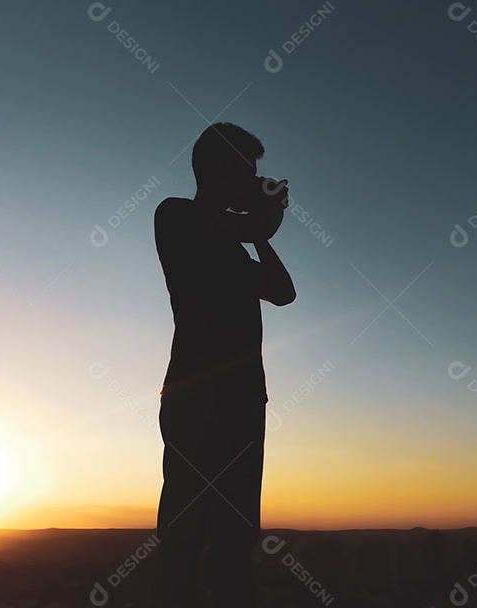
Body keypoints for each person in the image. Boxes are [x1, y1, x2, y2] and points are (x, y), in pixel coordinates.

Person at [152, 122, 295, 607]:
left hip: (242, 399)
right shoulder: (175, 216)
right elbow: (254, 224)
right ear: (220, 170)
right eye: (247, 173)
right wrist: (266, 210)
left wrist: (260, 229)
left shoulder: (231, 245)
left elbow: (282, 292)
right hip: (197, 397)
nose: (254, 182)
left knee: (235, 538)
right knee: (184, 536)